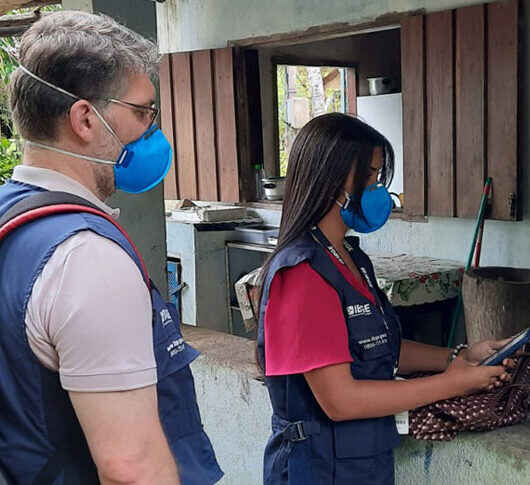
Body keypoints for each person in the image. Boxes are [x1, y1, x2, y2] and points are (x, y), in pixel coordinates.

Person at [0, 11, 222, 485]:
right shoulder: (86, 258)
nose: (152, 131)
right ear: (84, 118)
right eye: (142, 113)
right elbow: (133, 470)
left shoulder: (10, 216)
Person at [257, 113, 511, 485]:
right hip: (318, 468)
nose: (379, 190)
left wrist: (457, 356)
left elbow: (379, 348)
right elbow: (340, 400)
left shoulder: (350, 260)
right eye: (372, 176)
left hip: (363, 461)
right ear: (332, 180)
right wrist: (457, 383)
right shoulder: (302, 274)